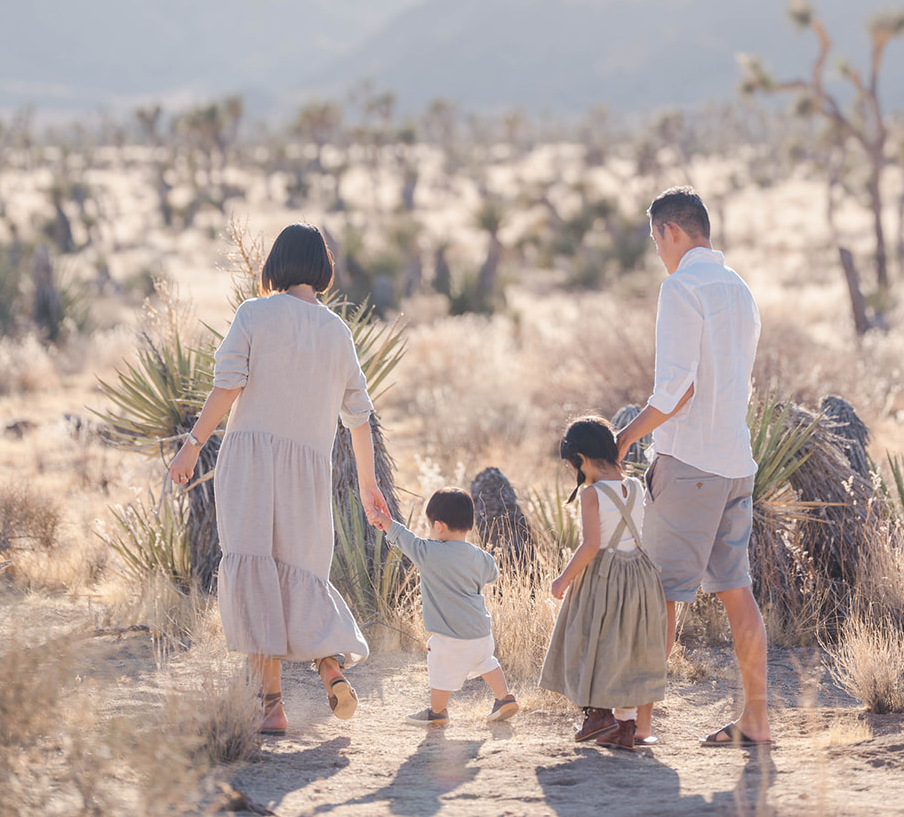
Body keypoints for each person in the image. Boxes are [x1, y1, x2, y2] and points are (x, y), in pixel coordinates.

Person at [169, 222, 388, 735]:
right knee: (302, 571)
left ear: (276, 265)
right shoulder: (337, 331)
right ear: (322, 270)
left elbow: (226, 388)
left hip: (249, 463)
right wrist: (368, 485)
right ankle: (329, 664)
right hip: (309, 470)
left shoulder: (254, 313)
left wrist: (191, 445)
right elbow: (359, 416)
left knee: (255, 572)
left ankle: (271, 707)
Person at [615, 186, 770, 747]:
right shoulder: (740, 290)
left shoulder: (681, 288)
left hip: (689, 464)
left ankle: (637, 724)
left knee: (659, 595)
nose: (658, 250)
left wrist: (625, 438)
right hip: (736, 463)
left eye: (656, 238)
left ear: (669, 232)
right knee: (737, 592)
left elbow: (676, 391)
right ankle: (757, 720)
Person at [539, 415, 667, 752]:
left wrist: (563, 579)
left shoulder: (592, 494)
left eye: (571, 467)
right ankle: (625, 727)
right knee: (627, 647)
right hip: (639, 575)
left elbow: (592, 544)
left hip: (604, 577)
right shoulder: (635, 485)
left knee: (590, 639)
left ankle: (596, 715)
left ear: (581, 460)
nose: (573, 475)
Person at [372, 488, 519, 725]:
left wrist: (384, 521)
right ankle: (505, 698)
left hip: (451, 635)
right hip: (481, 631)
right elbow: (492, 574)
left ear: (438, 526)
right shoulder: (481, 557)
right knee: (486, 661)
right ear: (469, 526)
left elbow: (406, 539)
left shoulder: (430, 553)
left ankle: (437, 712)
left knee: (439, 665)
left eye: (430, 526)